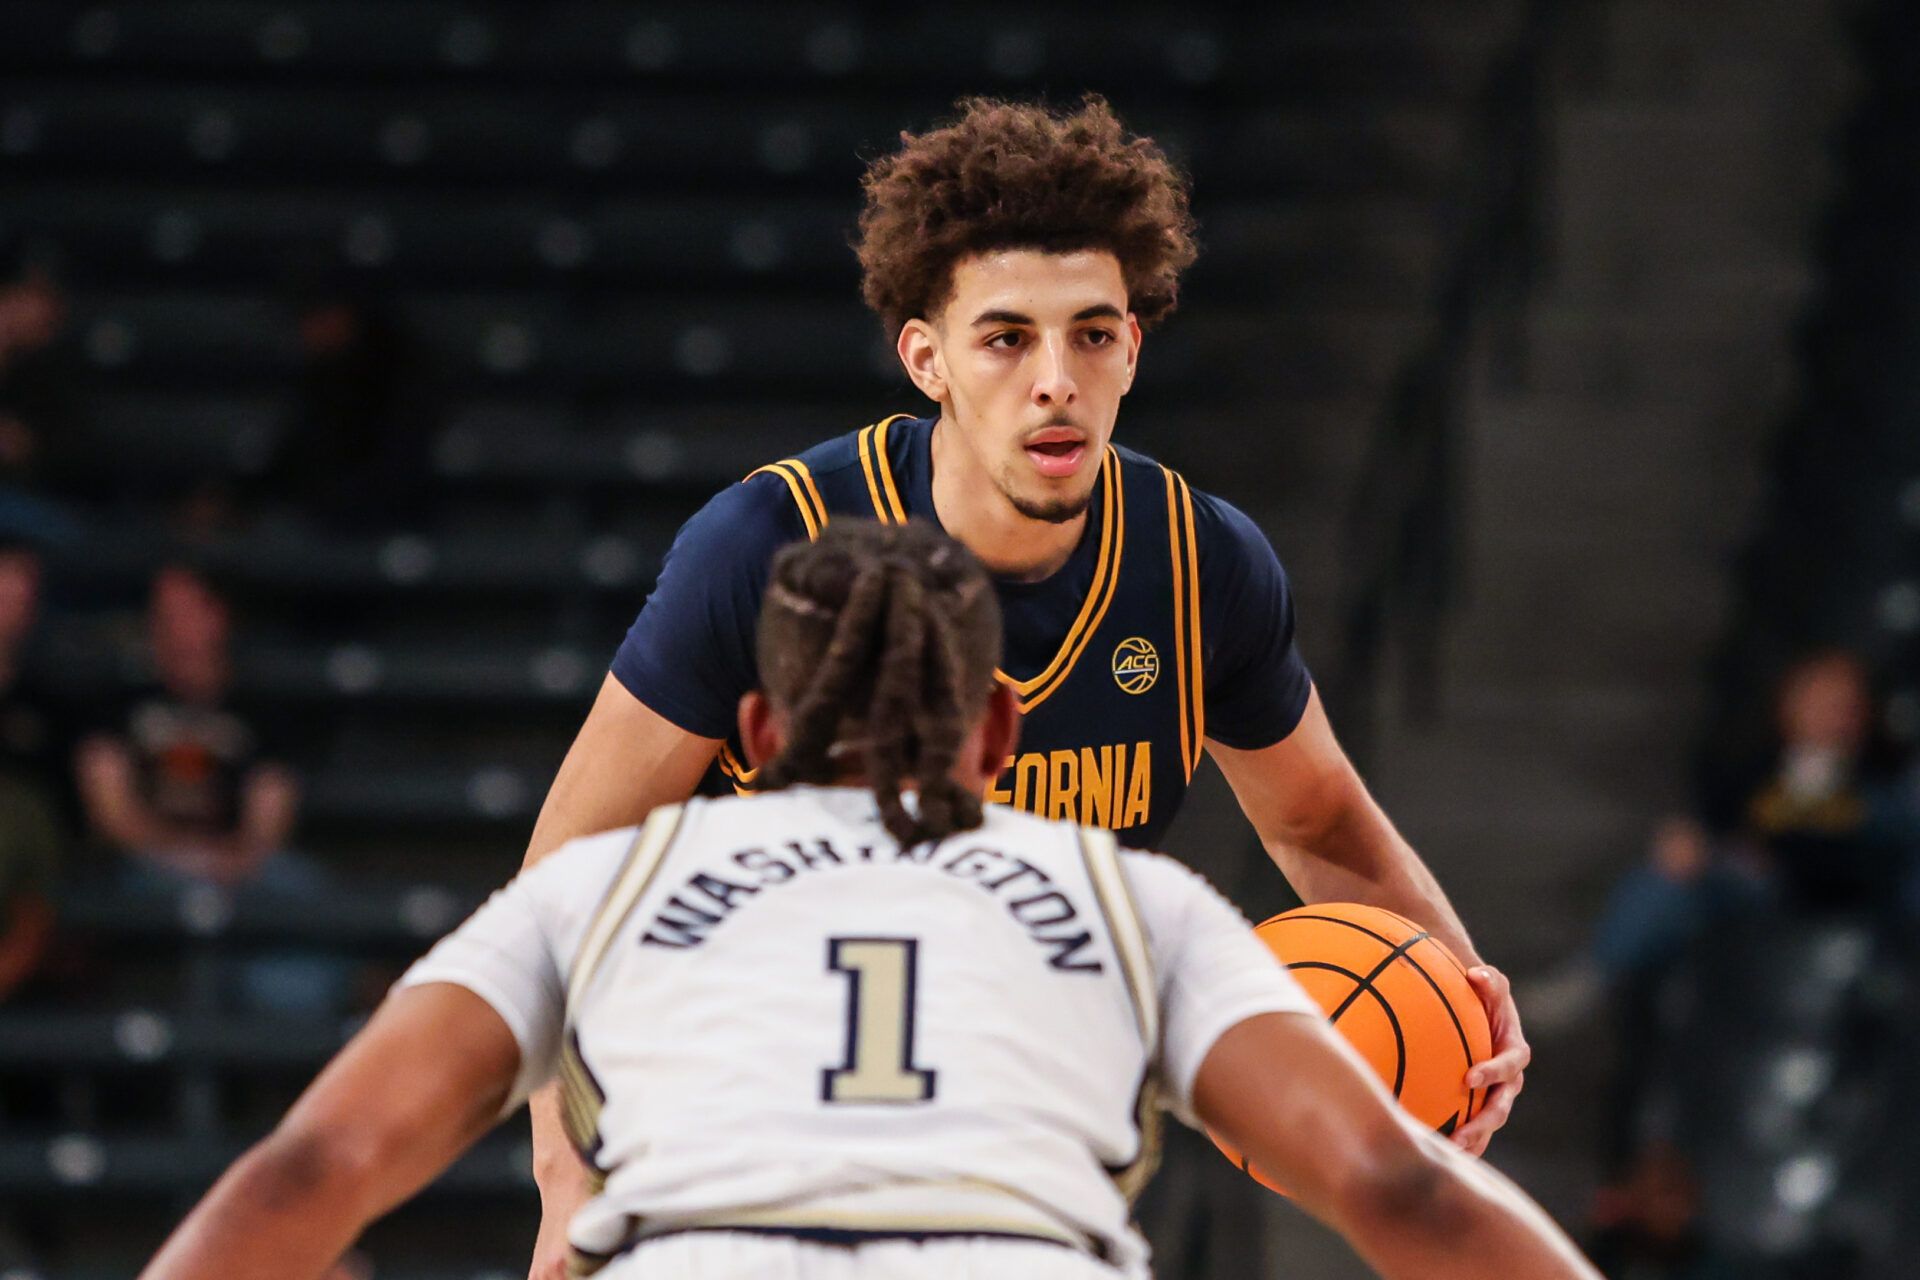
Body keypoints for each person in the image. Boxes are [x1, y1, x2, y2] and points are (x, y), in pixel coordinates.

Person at [522, 95, 1530, 1269]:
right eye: (1007, 338)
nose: (1057, 380)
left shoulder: (1198, 564)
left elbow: (1317, 819)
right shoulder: (771, 546)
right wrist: (566, 1177)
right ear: (927, 359)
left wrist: (1461, 1004)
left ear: (1133, 347)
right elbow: (567, 877)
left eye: (1092, 334)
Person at [141, 522, 1597, 1280]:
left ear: (756, 733)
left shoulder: (601, 890)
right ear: (1002, 734)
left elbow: (311, 1168)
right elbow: (1398, 1187)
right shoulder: (1131, 903)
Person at [75, 564, 340, 1013]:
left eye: (184, 613)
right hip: (145, 866)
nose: (171, 627)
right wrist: (181, 854)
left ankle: (303, 1016)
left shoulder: (259, 706)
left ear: (217, 616)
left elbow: (270, 818)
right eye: (161, 615)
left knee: (301, 886)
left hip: (240, 868)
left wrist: (232, 859)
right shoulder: (117, 701)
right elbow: (111, 812)